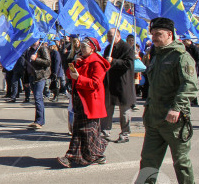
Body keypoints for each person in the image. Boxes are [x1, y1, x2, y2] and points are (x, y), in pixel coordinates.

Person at [117, 17, 199, 184]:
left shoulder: (181, 56)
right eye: (152, 34)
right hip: (154, 118)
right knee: (149, 159)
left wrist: (177, 108)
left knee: (181, 161)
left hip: (174, 120)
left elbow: (189, 86)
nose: (153, 37)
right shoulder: (156, 55)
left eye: (158, 34)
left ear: (169, 34)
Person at [57, 37, 109, 167]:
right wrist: (74, 63)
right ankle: (98, 155)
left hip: (90, 101)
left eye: (85, 47)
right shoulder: (81, 60)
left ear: (92, 48)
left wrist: (79, 78)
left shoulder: (96, 62)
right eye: (82, 46)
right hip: (80, 100)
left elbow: (95, 83)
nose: (81, 48)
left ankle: (71, 157)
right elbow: (69, 74)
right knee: (89, 131)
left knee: (83, 130)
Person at [101, 29, 136, 144]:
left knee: (124, 111)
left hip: (123, 83)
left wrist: (114, 61)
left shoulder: (126, 48)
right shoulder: (107, 48)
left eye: (111, 36)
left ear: (118, 36)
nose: (109, 38)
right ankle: (105, 132)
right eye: (108, 36)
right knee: (107, 109)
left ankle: (125, 133)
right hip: (110, 83)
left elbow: (129, 64)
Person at [26, 41, 51, 129]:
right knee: (36, 98)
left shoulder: (42, 48)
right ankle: (38, 120)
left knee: (38, 97)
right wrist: (25, 80)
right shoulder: (29, 50)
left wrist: (36, 59)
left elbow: (48, 62)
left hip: (40, 76)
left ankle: (39, 121)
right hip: (32, 76)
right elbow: (27, 64)